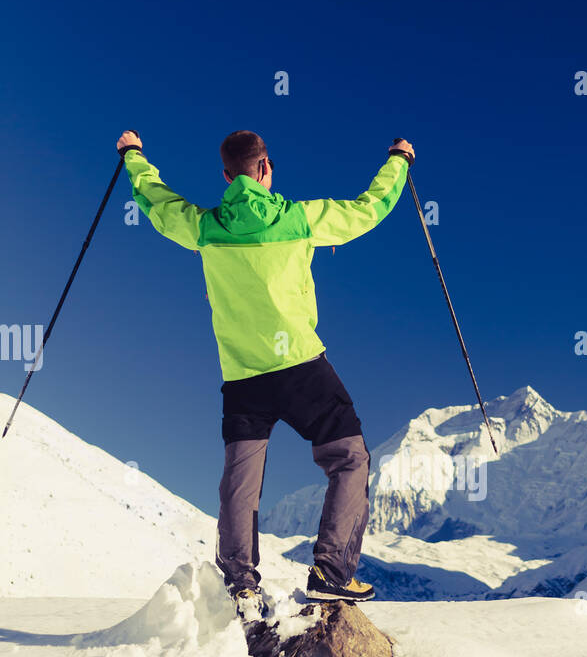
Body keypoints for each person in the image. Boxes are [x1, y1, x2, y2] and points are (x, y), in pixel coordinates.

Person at [115, 127, 414, 615]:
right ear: (266, 168)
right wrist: (399, 161)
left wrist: (133, 156)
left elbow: (156, 201)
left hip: (242, 377)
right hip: (301, 367)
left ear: (227, 175)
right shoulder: (299, 218)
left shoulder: (205, 227)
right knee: (350, 459)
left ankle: (241, 584)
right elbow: (368, 209)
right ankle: (332, 573)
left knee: (241, 479)